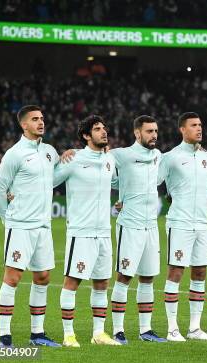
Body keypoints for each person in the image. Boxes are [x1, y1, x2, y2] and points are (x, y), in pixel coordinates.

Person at [0, 105, 61, 347]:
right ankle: (4, 336)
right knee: (12, 278)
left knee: (43, 277)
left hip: (43, 226)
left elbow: (56, 177)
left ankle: (37, 334)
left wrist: (70, 158)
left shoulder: (50, 152)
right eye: (35, 119)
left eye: (42, 118)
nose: (41, 122)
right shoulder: (14, 154)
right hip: (20, 226)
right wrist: (7, 219)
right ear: (23, 125)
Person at [53, 115, 120, 346]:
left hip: (104, 231)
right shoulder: (73, 159)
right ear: (85, 135)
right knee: (72, 282)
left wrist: (121, 201)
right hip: (80, 232)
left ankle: (98, 334)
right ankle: (68, 335)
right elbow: (47, 181)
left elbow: (116, 183)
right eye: (97, 129)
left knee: (102, 283)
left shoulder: (110, 159)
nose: (104, 132)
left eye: (104, 128)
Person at [157, 112, 207, 341]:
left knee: (200, 272)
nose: (199, 128)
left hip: (202, 222)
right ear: (182, 129)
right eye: (193, 125)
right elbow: (154, 182)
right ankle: (172, 328)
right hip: (179, 223)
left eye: (200, 125)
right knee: (176, 272)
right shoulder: (170, 157)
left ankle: (194, 328)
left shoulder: (206, 157)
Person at [110, 115, 166, 344]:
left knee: (148, 278)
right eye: (149, 131)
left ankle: (146, 330)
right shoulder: (120, 155)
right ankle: (117, 330)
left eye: (155, 131)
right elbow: (104, 176)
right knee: (124, 277)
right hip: (130, 226)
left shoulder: (157, 156)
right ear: (137, 133)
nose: (154, 135)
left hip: (151, 226)